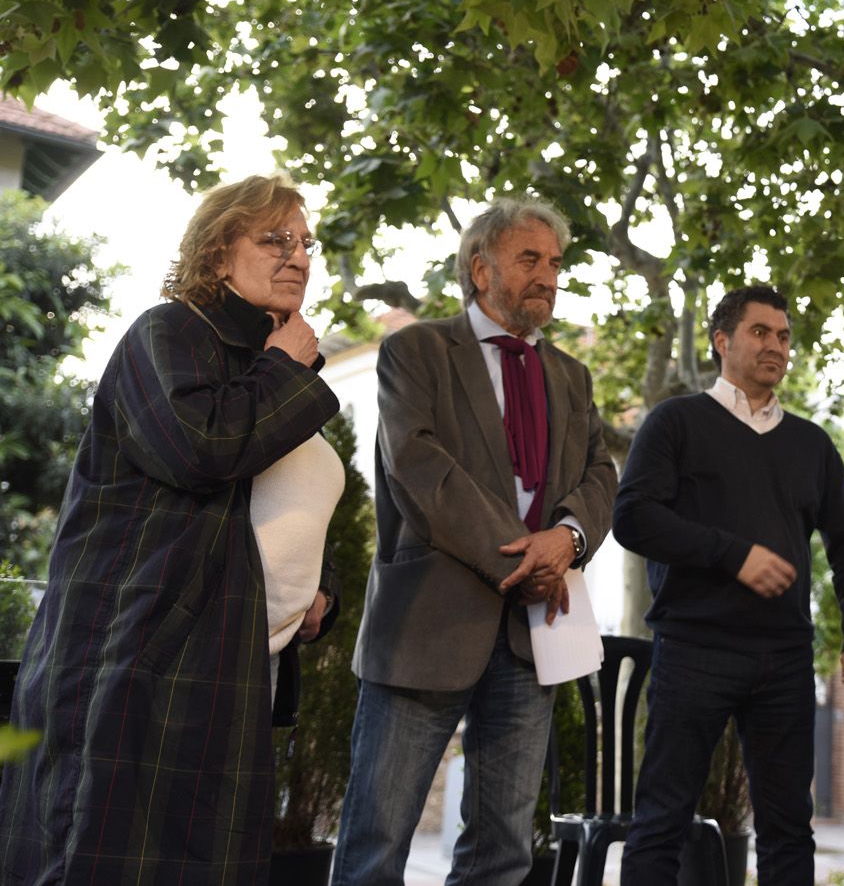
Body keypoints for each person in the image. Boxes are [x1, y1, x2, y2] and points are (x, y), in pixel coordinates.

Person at [0, 175, 343, 884]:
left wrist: (319, 589)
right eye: (273, 239)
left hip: (224, 672)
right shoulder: (169, 332)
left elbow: (266, 497)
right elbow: (201, 448)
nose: (298, 257)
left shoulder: (270, 363)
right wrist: (285, 367)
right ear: (217, 254)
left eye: (305, 242)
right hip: (135, 658)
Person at [332, 198, 617, 886]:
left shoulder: (573, 377)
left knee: (504, 854)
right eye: (530, 259)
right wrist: (529, 557)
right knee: (376, 843)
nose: (547, 275)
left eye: (555, 262)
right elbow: (418, 466)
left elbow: (602, 475)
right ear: (479, 268)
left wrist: (568, 539)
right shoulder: (416, 349)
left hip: (531, 639)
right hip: (427, 626)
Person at [614, 285, 844, 885]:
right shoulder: (675, 423)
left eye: (784, 336)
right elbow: (632, 517)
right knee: (661, 822)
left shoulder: (812, 445)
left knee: (790, 832)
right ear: (722, 341)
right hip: (692, 651)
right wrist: (734, 556)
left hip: (784, 660)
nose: (776, 346)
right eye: (761, 332)